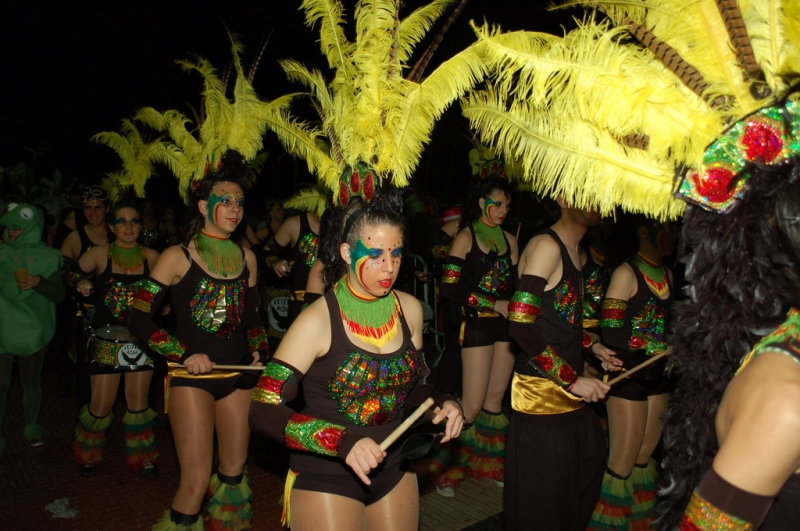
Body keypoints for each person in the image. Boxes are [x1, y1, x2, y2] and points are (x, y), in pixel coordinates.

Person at [249, 185, 464, 531]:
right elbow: (261, 409)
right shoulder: (316, 321)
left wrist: (441, 402)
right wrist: (341, 441)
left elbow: (414, 390)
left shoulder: (408, 309)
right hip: (327, 475)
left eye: (396, 254)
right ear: (347, 252)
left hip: (394, 468)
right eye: (376, 254)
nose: (389, 267)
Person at [128, 152, 268, 531]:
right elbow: (137, 315)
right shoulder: (177, 256)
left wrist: (260, 350)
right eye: (225, 200)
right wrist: (184, 354)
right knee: (195, 479)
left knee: (234, 473)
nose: (234, 209)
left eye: (240, 202)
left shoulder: (248, 258)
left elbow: (253, 317)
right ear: (205, 206)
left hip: (237, 375)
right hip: (191, 378)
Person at [504, 198, 618, 530]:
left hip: (569, 400)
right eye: (588, 191)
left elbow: (555, 321)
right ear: (564, 198)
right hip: (543, 403)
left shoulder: (574, 249)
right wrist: (572, 380)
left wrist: (592, 345)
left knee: (580, 489)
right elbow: (520, 324)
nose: (599, 202)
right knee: (544, 511)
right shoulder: (545, 246)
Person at [586, 216, 677, 530]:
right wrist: (645, 347)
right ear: (644, 231)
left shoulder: (666, 273)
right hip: (629, 376)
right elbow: (611, 331)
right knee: (622, 465)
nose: (674, 234)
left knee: (643, 459)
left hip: (659, 377)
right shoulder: (626, 272)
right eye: (667, 227)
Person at [430, 174, 519, 497]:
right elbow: (449, 288)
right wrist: (494, 302)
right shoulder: (465, 236)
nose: (503, 209)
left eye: (508, 204)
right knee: (472, 403)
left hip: (506, 327)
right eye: (498, 203)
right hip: (477, 324)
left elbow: (517, 286)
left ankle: (488, 463)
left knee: (496, 401)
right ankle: (446, 469)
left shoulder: (512, 239)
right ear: (483, 202)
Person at [69, 202, 161, 479]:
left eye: (134, 221)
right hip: (106, 337)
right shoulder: (98, 254)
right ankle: (88, 454)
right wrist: (79, 282)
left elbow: (170, 286)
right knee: (101, 403)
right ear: (111, 226)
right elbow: (71, 272)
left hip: (140, 337)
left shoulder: (154, 256)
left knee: (138, 403)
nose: (129, 227)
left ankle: (143, 457)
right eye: (121, 221)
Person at [0, 203, 65, 457]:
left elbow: (59, 295)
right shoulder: (1, 253)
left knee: (31, 382)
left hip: (33, 330)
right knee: (0, 384)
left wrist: (39, 282)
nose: (11, 232)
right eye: (8, 227)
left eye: (18, 227)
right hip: (3, 328)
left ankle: (31, 426)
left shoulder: (49, 257)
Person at [264, 207, 321, 326]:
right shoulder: (294, 224)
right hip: (300, 303)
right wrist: (275, 262)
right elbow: (267, 251)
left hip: (333, 301)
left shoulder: (341, 224)